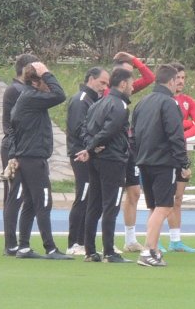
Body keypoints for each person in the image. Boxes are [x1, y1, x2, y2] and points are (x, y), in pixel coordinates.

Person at [131, 64, 193, 267]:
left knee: (154, 207)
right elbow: (175, 135)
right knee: (165, 206)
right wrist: (183, 162)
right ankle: (148, 251)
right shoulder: (170, 103)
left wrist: (138, 156)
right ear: (171, 81)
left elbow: (133, 134)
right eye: (178, 80)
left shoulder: (142, 102)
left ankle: (154, 249)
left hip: (144, 161)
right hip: (164, 163)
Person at [10, 62, 71, 260]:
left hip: (28, 156)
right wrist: (47, 73)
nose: (49, 85)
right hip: (33, 158)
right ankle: (50, 248)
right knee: (44, 201)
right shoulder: (31, 96)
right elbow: (59, 95)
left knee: (30, 202)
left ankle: (24, 247)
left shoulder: (27, 97)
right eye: (45, 81)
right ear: (37, 81)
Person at [76, 67, 134, 264]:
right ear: (123, 84)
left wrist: (90, 147)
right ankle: (109, 251)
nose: (133, 88)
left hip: (97, 160)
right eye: (131, 84)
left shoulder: (98, 103)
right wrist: (91, 148)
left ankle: (90, 251)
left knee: (94, 204)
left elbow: (84, 128)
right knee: (112, 205)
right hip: (113, 160)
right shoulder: (120, 106)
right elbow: (110, 130)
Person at [111, 52, 155, 254]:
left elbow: (149, 78)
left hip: (129, 149)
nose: (132, 81)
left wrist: (134, 59)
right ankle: (106, 238)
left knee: (135, 192)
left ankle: (130, 239)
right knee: (111, 196)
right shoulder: (108, 95)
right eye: (127, 76)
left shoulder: (126, 91)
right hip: (112, 151)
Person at [64, 67, 109, 257]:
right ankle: (74, 242)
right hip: (80, 154)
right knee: (82, 196)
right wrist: (91, 146)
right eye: (102, 83)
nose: (104, 87)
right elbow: (77, 129)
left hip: (89, 154)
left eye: (107, 84)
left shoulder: (95, 100)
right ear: (91, 79)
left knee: (90, 197)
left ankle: (84, 241)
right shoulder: (81, 100)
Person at [1, 53, 38, 257]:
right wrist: (14, 153)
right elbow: (11, 127)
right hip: (15, 148)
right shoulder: (15, 90)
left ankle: (19, 242)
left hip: (24, 147)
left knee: (25, 195)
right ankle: (11, 244)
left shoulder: (26, 89)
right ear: (25, 68)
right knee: (15, 194)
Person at [167, 63, 195, 253]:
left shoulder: (188, 101)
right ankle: (153, 240)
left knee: (178, 198)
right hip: (164, 155)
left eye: (183, 78)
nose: (181, 81)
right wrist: (185, 124)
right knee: (162, 199)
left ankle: (175, 240)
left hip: (181, 155)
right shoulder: (163, 99)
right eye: (178, 78)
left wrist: (182, 134)